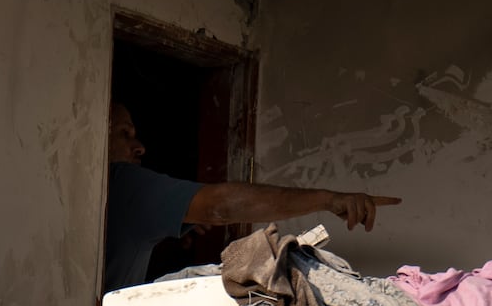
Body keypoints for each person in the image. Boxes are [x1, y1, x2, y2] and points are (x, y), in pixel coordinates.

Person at [104, 102, 401, 291]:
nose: (140, 146)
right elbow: (218, 206)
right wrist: (329, 199)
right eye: (124, 134)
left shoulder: (110, 197)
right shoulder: (122, 182)